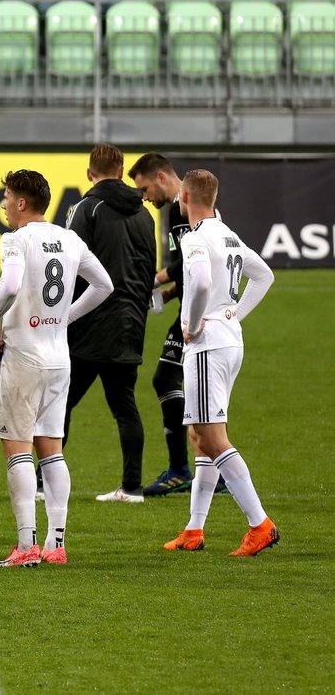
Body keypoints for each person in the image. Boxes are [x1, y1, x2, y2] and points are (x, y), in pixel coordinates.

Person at [0, 170, 113, 567]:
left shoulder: (16, 240)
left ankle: (26, 546)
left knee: (17, 448)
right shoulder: (70, 239)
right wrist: (64, 319)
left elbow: (9, 286)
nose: (4, 204)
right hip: (60, 358)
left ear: (22, 203)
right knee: (51, 450)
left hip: (23, 355)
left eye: (7, 197)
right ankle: (57, 544)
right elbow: (104, 285)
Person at [163, 170, 279, 556]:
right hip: (228, 340)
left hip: (209, 345)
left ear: (183, 196)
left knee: (211, 437)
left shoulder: (195, 238)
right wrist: (234, 314)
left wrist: (192, 324)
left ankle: (260, 524)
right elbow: (263, 276)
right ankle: (194, 531)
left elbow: (196, 283)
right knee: (201, 438)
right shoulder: (228, 233)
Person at [64, 144, 156, 503]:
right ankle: (132, 487)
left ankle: (43, 483)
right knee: (125, 406)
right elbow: (148, 268)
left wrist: (63, 316)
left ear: (90, 173)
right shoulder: (145, 215)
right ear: (121, 172)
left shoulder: (85, 208)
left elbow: (70, 266)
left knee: (60, 404)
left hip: (88, 323)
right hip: (130, 324)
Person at [128, 153, 198, 497]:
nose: (144, 197)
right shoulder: (192, 199)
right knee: (186, 386)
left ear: (160, 176)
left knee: (167, 378)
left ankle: (183, 470)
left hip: (197, 316)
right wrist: (170, 293)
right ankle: (200, 470)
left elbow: (190, 260)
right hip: (193, 308)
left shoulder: (179, 206)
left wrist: (152, 281)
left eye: (144, 189)